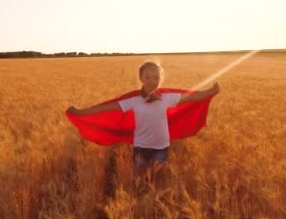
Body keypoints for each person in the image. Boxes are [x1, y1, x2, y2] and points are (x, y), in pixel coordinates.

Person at [66, 61, 220, 183]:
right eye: (148, 77)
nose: (152, 81)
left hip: (161, 147)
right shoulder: (134, 100)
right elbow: (106, 108)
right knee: (140, 180)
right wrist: (80, 112)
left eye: (156, 77)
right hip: (141, 146)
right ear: (141, 78)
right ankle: (140, 205)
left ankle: (152, 207)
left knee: (156, 179)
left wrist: (210, 92)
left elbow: (192, 97)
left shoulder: (167, 97)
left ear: (160, 79)